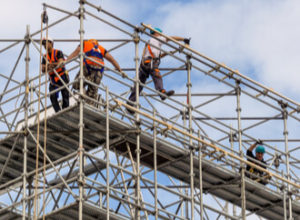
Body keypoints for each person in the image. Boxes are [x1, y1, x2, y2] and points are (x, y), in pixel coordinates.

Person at [126, 27, 190, 114]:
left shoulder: (150, 42)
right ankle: (162, 92)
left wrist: (167, 53)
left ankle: (130, 103)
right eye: (160, 34)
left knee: (138, 85)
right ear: (156, 33)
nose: (161, 35)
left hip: (144, 64)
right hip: (150, 63)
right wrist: (183, 39)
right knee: (157, 75)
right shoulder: (157, 39)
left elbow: (153, 55)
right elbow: (170, 38)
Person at [67, 39, 122, 105]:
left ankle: (83, 90)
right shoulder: (101, 48)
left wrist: (66, 61)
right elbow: (112, 59)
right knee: (92, 93)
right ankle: (89, 105)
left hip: (87, 67)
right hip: (99, 70)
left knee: (76, 85)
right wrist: (119, 70)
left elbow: (76, 52)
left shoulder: (85, 43)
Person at [42, 37, 69, 113]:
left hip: (62, 76)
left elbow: (61, 63)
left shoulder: (58, 52)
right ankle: (58, 111)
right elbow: (43, 70)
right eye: (43, 44)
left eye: (46, 43)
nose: (44, 45)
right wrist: (48, 67)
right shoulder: (44, 57)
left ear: (51, 43)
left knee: (65, 95)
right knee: (52, 95)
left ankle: (65, 110)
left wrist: (52, 65)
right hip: (53, 79)